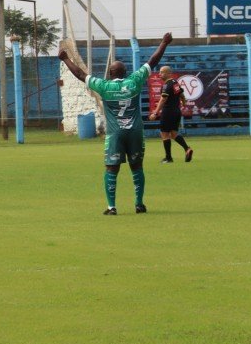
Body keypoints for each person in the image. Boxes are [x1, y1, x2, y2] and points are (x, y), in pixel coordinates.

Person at [58, 32, 173, 215]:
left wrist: (65, 59)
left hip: (115, 133)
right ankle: (139, 204)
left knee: (112, 168)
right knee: (137, 167)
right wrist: (164, 43)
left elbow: (80, 74)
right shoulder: (134, 81)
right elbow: (152, 61)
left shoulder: (104, 86)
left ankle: (112, 207)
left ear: (110, 74)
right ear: (126, 73)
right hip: (135, 131)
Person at [149, 66, 193, 163]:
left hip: (168, 112)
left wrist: (155, 113)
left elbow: (163, 99)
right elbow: (181, 94)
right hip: (176, 111)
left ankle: (168, 158)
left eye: (162, 72)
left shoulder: (166, 85)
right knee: (174, 134)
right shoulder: (175, 83)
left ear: (169, 73)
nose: (159, 74)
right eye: (159, 72)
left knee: (164, 134)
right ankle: (187, 149)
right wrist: (184, 102)